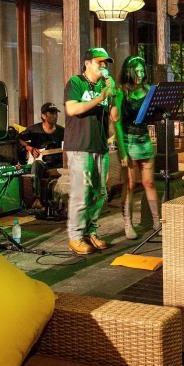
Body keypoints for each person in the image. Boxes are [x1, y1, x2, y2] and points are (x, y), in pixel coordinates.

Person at [63, 48, 117, 255]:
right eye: (99, 62)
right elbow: (72, 109)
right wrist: (101, 96)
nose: (103, 66)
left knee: (100, 192)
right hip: (80, 146)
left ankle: (90, 232)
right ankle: (75, 237)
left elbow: (113, 117)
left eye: (105, 63)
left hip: (100, 145)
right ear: (87, 63)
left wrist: (113, 96)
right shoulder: (76, 82)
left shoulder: (105, 85)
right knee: (82, 193)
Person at [115, 55, 159, 240]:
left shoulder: (148, 90)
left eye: (142, 71)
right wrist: (122, 150)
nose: (140, 74)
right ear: (129, 72)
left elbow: (154, 115)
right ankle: (128, 223)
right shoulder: (121, 93)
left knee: (149, 182)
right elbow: (117, 123)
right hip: (128, 140)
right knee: (131, 184)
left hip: (144, 139)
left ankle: (157, 222)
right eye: (137, 71)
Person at [18, 102, 64, 209]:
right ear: (43, 115)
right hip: (42, 163)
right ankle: (36, 199)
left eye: (56, 113)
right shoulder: (34, 129)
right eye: (51, 113)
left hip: (57, 163)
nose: (55, 116)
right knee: (36, 165)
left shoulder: (62, 131)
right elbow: (19, 139)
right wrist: (29, 148)